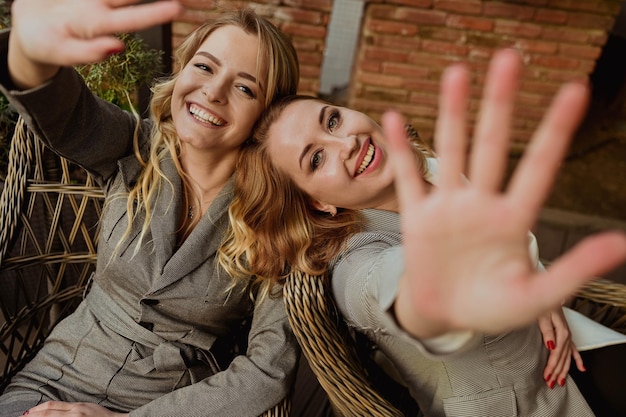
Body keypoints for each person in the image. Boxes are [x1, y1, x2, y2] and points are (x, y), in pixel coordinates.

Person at [220, 48, 626, 416]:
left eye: (332, 119)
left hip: (564, 343)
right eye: (316, 158)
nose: (346, 142)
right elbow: (397, 294)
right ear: (317, 204)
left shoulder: (425, 165)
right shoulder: (355, 263)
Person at [0, 1, 302, 416]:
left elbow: (269, 369)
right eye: (205, 67)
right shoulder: (133, 148)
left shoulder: (275, 215)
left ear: (267, 116)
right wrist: (28, 53)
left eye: (245, 87)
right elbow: (65, 112)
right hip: (57, 375)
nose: (212, 92)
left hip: (167, 403)